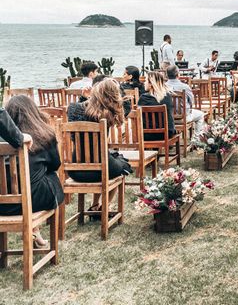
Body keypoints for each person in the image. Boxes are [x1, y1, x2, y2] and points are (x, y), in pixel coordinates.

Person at [2, 96, 64, 248]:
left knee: (33, 178)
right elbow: (55, 164)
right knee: (49, 176)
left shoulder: (3, 137)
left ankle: (35, 232)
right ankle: (35, 232)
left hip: (2, 204)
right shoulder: (43, 135)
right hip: (30, 202)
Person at [66, 79, 132, 214]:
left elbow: (81, 109)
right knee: (123, 165)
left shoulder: (72, 109)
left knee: (114, 158)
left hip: (76, 170)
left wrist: (84, 97)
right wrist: (118, 87)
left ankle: (95, 204)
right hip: (102, 169)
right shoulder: (107, 113)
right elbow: (127, 106)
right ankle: (104, 206)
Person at [166, 65, 205, 136]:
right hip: (183, 118)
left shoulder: (162, 86)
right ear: (178, 74)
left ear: (167, 75)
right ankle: (196, 138)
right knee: (201, 115)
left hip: (167, 118)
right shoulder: (185, 87)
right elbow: (191, 102)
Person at [138, 71, 176, 141]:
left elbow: (138, 116)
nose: (144, 83)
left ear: (151, 84)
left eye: (146, 81)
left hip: (147, 135)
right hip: (167, 133)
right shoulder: (167, 96)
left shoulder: (144, 98)